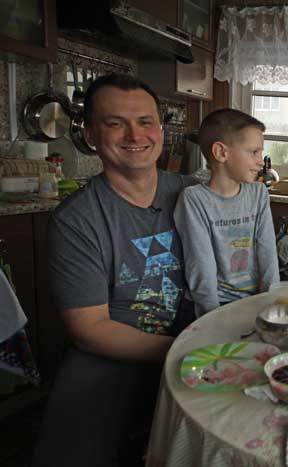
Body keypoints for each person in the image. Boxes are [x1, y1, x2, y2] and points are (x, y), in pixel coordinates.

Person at [32, 74, 197, 467]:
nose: (134, 134)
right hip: (111, 358)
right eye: (115, 123)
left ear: (161, 129)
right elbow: (90, 331)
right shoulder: (77, 220)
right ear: (90, 134)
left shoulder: (195, 195)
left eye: (145, 122)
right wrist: (188, 350)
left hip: (191, 346)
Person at [174, 109, 279, 316]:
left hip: (254, 302)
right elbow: (200, 268)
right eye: (253, 152)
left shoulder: (258, 193)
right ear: (221, 153)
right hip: (214, 306)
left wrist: (270, 304)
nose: (261, 161)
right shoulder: (194, 199)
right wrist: (212, 319)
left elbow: (268, 254)